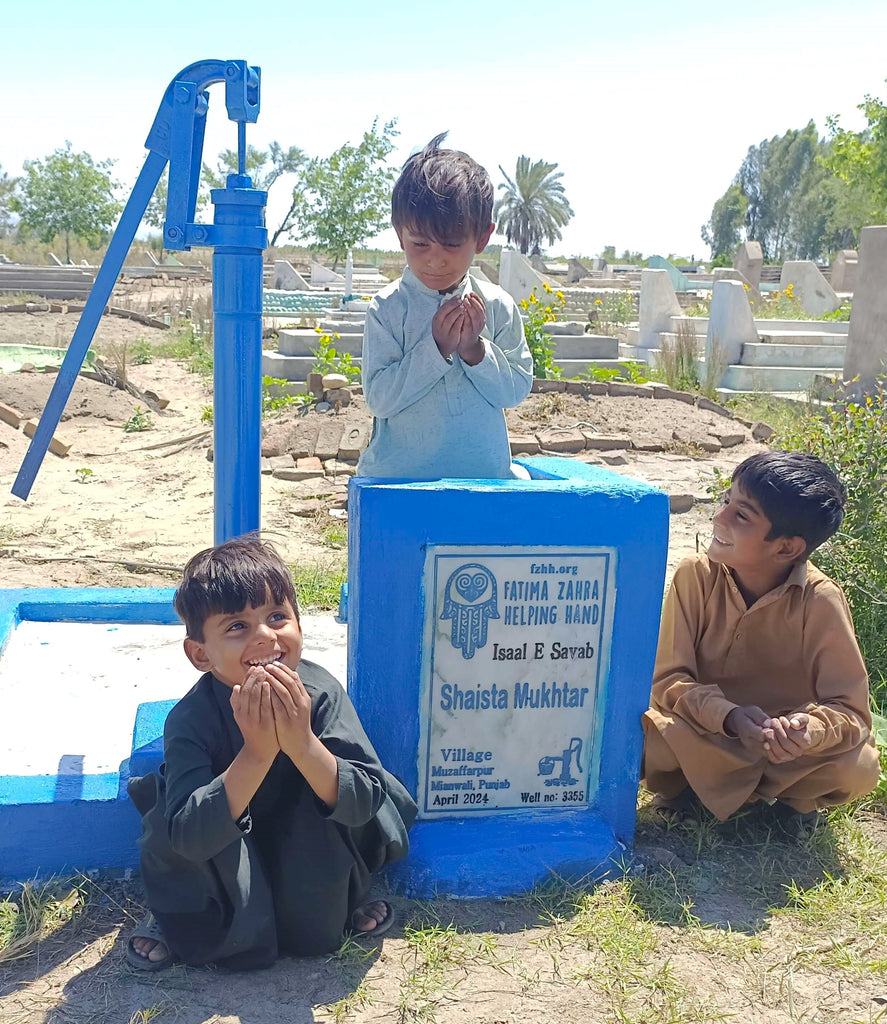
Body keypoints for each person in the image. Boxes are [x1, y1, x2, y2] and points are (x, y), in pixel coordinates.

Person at [126, 536, 417, 971]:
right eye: (237, 626)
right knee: (173, 834)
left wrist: (301, 744)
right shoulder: (191, 719)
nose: (265, 636)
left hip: (304, 836)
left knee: (316, 934)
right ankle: (177, 919)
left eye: (277, 616)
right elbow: (188, 835)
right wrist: (257, 754)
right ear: (200, 654)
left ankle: (350, 893)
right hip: (224, 845)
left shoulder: (319, 695)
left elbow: (362, 805)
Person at [643, 450, 880, 832]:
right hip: (705, 734)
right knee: (643, 739)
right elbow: (669, 680)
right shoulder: (695, 577)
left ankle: (794, 802)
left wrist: (808, 731)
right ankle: (684, 790)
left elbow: (851, 712)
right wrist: (729, 716)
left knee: (859, 767)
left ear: (786, 548)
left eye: (741, 515)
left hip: (781, 754)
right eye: (726, 502)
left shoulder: (820, 599)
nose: (718, 517)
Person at [358, 132, 533, 480]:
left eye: (452, 244)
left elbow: (515, 390)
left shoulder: (497, 305)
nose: (435, 261)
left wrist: (475, 350)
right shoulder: (387, 309)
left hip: (484, 480)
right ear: (399, 234)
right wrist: (435, 349)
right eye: (420, 243)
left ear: (482, 238)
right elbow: (379, 399)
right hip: (398, 481)